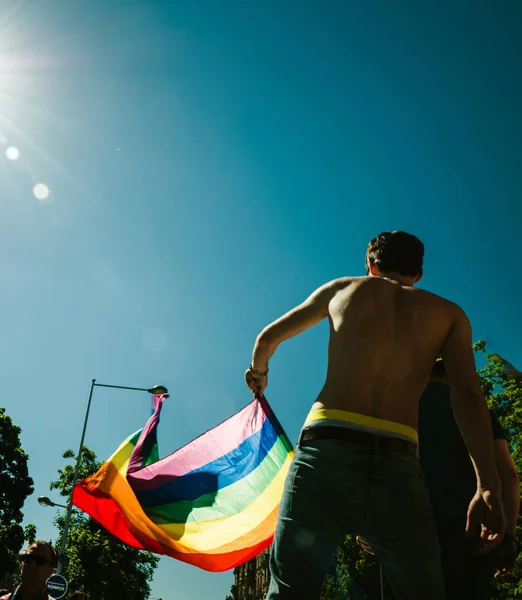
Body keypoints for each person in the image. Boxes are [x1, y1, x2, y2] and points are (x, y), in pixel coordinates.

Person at [245, 230, 506, 600]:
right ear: (418, 274)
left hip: (325, 449)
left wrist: (260, 374)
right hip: (399, 460)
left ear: (371, 265)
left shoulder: (341, 289)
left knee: (291, 590)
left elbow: (266, 340)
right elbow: (467, 397)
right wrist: (487, 485)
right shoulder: (449, 315)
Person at [358, 358, 519, 599]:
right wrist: (507, 536)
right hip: (472, 535)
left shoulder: (394, 410)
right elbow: (509, 475)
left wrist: (366, 524)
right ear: (449, 375)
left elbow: (370, 471)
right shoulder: (477, 411)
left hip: (406, 537)